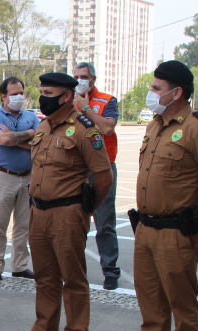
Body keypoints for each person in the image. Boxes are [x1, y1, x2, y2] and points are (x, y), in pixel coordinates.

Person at [117, 60, 198, 331]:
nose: (151, 93)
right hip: (146, 227)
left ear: (176, 93)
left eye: (156, 88)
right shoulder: (155, 125)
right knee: (149, 297)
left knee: (181, 300)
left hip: (178, 229)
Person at [12, 72, 113, 331]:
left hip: (68, 213)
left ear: (67, 96)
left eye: (49, 92)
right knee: (45, 277)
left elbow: (104, 176)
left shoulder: (84, 129)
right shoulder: (43, 126)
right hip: (38, 212)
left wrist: (87, 208)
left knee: (73, 279)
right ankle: (44, 330)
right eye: (41, 91)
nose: (44, 97)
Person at [0, 76, 39, 285]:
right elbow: (3, 140)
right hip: (3, 176)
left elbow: (40, 143)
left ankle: (20, 266)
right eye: (14, 93)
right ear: (4, 96)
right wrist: (28, 136)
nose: (19, 97)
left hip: (27, 176)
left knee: (23, 225)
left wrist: (17, 136)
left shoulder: (32, 117)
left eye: (21, 93)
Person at [72, 61, 121, 290]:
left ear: (92, 78)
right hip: (78, 170)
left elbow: (107, 129)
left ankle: (110, 270)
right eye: (76, 77)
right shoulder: (69, 101)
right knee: (75, 222)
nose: (79, 80)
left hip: (102, 169)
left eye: (83, 76)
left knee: (105, 223)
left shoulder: (107, 100)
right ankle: (73, 269)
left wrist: (86, 108)